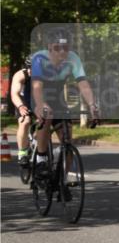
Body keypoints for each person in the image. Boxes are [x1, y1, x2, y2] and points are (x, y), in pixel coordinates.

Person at [31, 28, 100, 176]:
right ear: (49, 47)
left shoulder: (73, 58)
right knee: (47, 115)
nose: (62, 52)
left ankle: (62, 180)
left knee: (67, 142)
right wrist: (41, 104)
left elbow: (83, 83)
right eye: (57, 48)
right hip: (39, 94)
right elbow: (37, 86)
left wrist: (92, 105)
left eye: (66, 48)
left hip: (57, 97)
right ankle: (41, 157)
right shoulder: (39, 58)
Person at [9, 56, 35, 166]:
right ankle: (22, 153)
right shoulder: (21, 75)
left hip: (39, 100)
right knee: (25, 121)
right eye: (30, 68)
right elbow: (14, 94)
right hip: (22, 102)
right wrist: (20, 106)